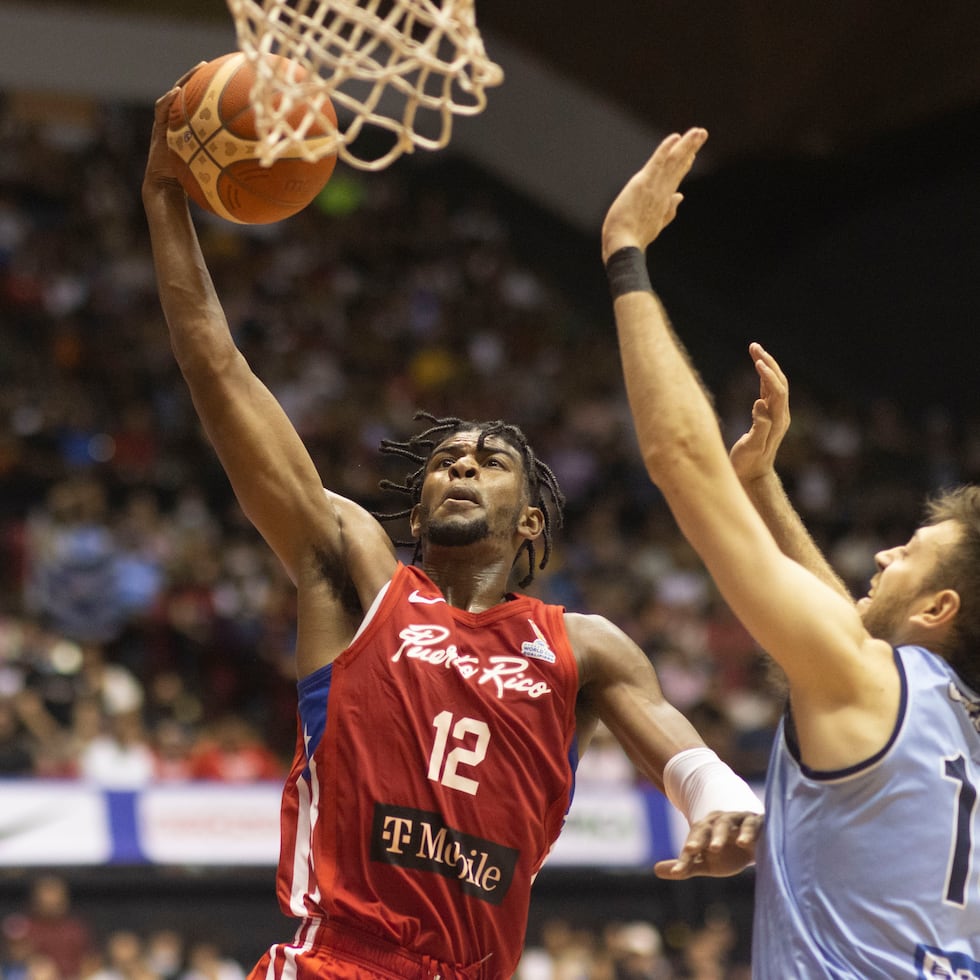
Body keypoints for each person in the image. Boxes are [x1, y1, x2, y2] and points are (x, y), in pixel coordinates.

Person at [142, 78, 763, 980]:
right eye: (445, 459)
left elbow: (686, 755)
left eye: (490, 459)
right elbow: (216, 367)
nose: (461, 464)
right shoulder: (356, 569)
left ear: (531, 520)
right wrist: (164, 193)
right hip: (332, 964)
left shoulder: (582, 649)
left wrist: (724, 803)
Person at [601, 127, 980, 977]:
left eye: (908, 553)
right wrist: (765, 488)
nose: (882, 557)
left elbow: (678, 461)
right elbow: (842, 626)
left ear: (938, 608)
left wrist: (625, 254)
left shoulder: (868, 680)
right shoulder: (953, 730)